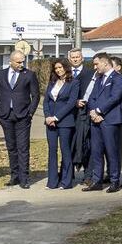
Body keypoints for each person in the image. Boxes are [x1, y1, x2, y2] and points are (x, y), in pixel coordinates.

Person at [82, 53, 122, 192]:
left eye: (97, 64)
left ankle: (114, 181)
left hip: (110, 120)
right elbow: (92, 97)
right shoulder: (99, 79)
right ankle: (97, 181)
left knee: (111, 152)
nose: (95, 67)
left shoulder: (118, 78)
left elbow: (115, 97)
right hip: (96, 120)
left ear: (105, 63)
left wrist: (99, 111)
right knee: (96, 151)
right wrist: (93, 112)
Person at [0, 50, 39, 188]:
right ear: (11, 61)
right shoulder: (0, 74)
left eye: (23, 61)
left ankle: (24, 178)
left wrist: (30, 113)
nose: (21, 64)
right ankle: (14, 176)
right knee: (11, 147)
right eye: (18, 62)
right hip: (5, 115)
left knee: (23, 147)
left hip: (23, 116)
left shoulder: (29, 75)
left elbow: (35, 96)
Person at [41, 58, 78, 190]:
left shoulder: (74, 82)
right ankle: (52, 181)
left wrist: (56, 117)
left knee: (65, 150)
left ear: (66, 68)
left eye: (60, 67)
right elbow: (46, 101)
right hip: (50, 122)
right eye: (56, 68)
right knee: (52, 150)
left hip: (65, 121)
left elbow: (71, 103)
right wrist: (47, 117)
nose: (58, 70)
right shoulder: (52, 82)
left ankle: (66, 182)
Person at [66, 48, 96, 181]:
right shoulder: (64, 73)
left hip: (85, 114)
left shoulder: (91, 73)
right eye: (73, 57)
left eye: (77, 57)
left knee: (86, 143)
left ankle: (88, 174)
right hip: (68, 114)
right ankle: (68, 173)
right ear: (69, 59)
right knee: (68, 143)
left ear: (82, 58)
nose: (75, 59)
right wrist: (74, 102)